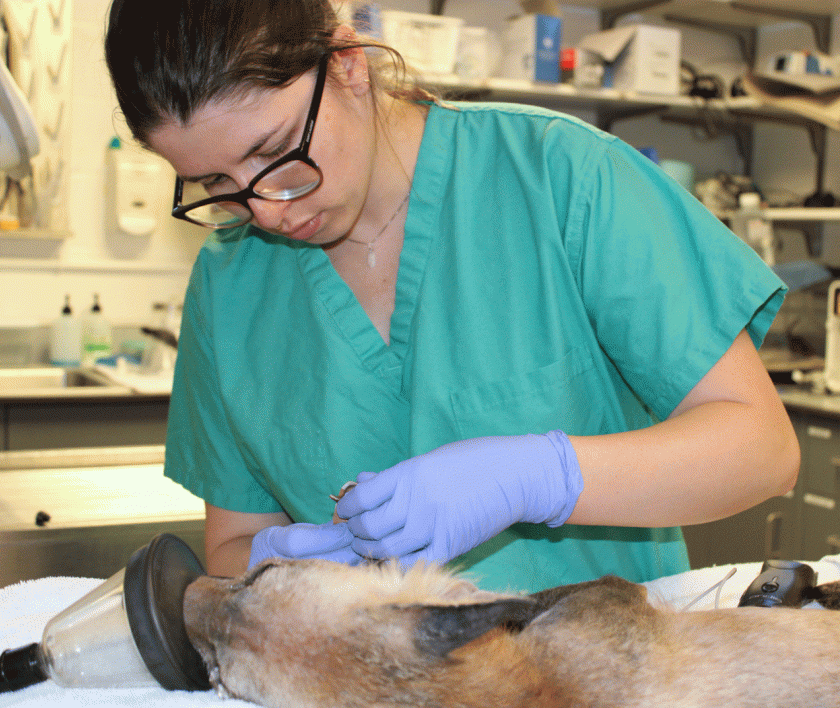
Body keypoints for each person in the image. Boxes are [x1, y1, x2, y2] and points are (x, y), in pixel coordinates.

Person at [105, 0, 799, 592]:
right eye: (217, 187)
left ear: (346, 64)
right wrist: (277, 569)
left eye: (279, 154)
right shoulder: (230, 284)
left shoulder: (559, 177)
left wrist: (537, 476)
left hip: (605, 670)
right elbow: (234, 546)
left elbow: (759, 451)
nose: (267, 212)